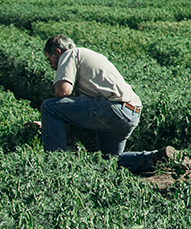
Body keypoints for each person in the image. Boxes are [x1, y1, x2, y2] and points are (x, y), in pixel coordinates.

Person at [36, 35, 179, 174]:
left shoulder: (71, 54)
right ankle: (156, 157)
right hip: (131, 113)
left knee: (49, 107)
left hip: (113, 108)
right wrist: (49, 125)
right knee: (109, 161)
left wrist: (50, 116)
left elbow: (62, 91)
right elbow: (73, 111)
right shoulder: (88, 55)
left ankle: (54, 167)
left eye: (50, 60)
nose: (52, 66)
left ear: (57, 52)